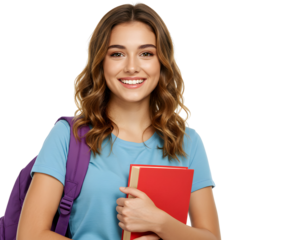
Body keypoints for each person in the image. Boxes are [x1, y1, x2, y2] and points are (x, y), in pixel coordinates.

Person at [17, 1, 221, 240]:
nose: (132, 67)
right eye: (117, 54)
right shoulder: (67, 135)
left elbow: (211, 238)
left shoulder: (187, 141)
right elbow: (30, 235)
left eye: (146, 53)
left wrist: (161, 223)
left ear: (162, 63)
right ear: (101, 63)